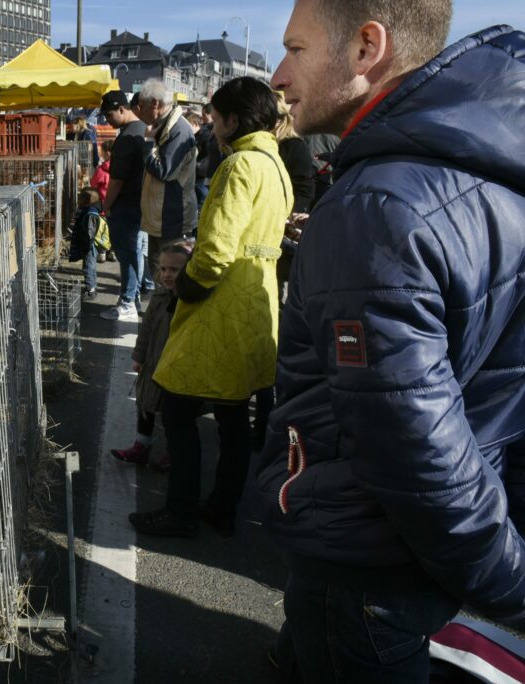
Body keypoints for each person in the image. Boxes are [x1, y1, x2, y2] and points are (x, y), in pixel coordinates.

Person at [259, 0, 525, 679]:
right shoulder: (480, 171)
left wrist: (507, 582)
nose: (278, 75)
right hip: (410, 556)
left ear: (365, 49)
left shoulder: (377, 204)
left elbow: (412, 442)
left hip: (370, 567)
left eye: (296, 48)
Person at [129, 77, 292, 539]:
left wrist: (187, 288)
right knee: (233, 414)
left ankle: (181, 512)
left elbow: (218, 244)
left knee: (178, 409)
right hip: (256, 298)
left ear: (234, 120)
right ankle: (221, 507)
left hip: (223, 302)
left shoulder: (240, 164)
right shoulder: (273, 162)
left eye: (217, 118)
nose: (213, 127)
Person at [251, 91, 319, 449]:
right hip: (270, 244)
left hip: (283, 247)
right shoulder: (268, 149)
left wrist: (287, 219)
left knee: (276, 327)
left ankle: (266, 421)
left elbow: (303, 191)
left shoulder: (292, 148)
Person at [110, 239, 192, 472]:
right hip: (153, 362)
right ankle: (141, 446)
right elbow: (146, 330)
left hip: (176, 366)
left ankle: (171, 452)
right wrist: (138, 356)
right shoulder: (159, 296)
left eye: (174, 270)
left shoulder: (188, 301)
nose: (167, 274)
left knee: (171, 412)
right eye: (164, 268)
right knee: (145, 403)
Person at [135, 78, 199, 278]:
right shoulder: (166, 126)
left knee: (169, 273)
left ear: (156, 104)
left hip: (172, 217)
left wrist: (147, 143)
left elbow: (165, 172)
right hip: (162, 216)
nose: (139, 112)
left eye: (142, 106)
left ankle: (167, 309)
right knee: (160, 272)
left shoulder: (178, 129)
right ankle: (161, 307)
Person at [99, 90, 147, 322]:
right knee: (135, 252)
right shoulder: (143, 130)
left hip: (126, 205)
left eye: (109, 115)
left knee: (127, 254)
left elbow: (117, 179)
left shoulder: (128, 137)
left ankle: (128, 301)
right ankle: (132, 297)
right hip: (139, 203)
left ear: (121, 109)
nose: (107, 121)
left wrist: (106, 206)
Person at [68, 188, 103, 299]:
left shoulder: (90, 213)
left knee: (88, 267)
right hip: (90, 246)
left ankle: (90, 290)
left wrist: (85, 246)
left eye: (80, 199)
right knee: (91, 267)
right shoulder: (89, 211)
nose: (78, 201)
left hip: (89, 246)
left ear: (87, 201)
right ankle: (92, 286)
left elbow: (89, 233)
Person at [90, 139, 115, 264]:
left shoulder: (101, 170)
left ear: (107, 152)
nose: (101, 154)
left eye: (102, 152)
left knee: (101, 229)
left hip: (103, 204)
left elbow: (93, 184)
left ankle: (102, 253)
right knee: (114, 229)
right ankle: (113, 251)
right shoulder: (120, 167)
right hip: (116, 204)